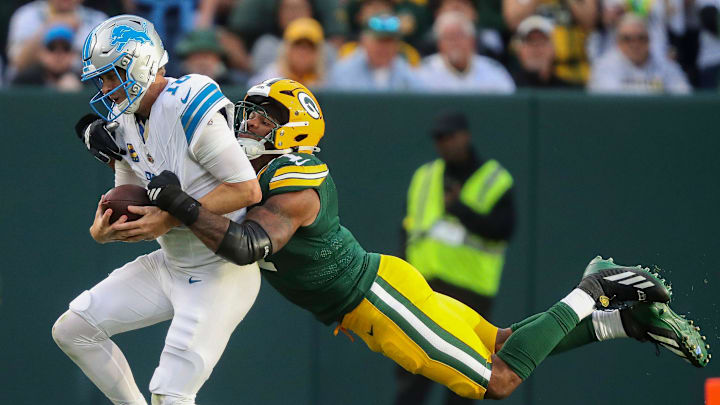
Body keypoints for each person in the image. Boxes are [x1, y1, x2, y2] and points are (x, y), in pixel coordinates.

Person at [144, 77, 710, 400]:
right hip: (380, 290)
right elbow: (184, 127)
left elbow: (244, 245)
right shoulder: (250, 173)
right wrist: (118, 138)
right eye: (248, 115)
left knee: (498, 379)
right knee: (502, 340)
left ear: (294, 130)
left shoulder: (297, 183)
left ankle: (593, 289)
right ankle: (625, 321)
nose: (246, 126)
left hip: (375, 300)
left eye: (263, 119)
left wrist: (176, 202)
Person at [50, 15, 262, 405]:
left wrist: (168, 217)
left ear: (142, 62)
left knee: (171, 394)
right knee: (72, 329)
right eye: (103, 79)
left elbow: (246, 188)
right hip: (172, 265)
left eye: (113, 75)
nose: (107, 88)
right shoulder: (126, 121)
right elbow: (129, 198)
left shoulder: (187, 101)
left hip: (219, 272)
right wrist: (104, 231)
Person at [396, 110, 516, 405]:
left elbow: (504, 230)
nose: (445, 143)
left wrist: (461, 210)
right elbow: (407, 230)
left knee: (463, 377)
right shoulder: (425, 176)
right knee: (413, 371)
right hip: (424, 288)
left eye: (450, 136)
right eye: (439, 138)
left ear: (466, 136)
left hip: (470, 291)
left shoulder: (495, 179)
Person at [588, 14, 691, 94]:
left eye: (641, 38)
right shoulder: (604, 66)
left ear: (649, 40)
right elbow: (611, 102)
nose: (635, 44)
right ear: (618, 42)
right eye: (627, 39)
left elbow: (683, 93)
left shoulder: (665, 64)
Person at [417, 11, 515, 93]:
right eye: (448, 37)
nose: (454, 43)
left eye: (459, 36)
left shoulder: (492, 70)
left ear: (472, 40)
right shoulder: (424, 72)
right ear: (439, 43)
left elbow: (510, 105)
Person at [6, 0, 107, 79]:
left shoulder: (97, 20)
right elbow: (17, 63)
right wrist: (49, 26)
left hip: (81, 88)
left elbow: (108, 69)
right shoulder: (27, 15)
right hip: (33, 88)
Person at [328, 13, 423, 91]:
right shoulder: (344, 72)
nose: (384, 48)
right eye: (379, 42)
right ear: (364, 42)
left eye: (390, 42)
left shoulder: (407, 73)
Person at [249, 18, 329, 88]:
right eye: (297, 45)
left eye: (310, 47)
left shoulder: (326, 81)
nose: (303, 52)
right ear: (287, 49)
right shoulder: (270, 77)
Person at [510, 15, 577, 88]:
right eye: (530, 41)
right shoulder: (506, 86)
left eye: (542, 41)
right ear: (520, 50)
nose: (536, 48)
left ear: (553, 49)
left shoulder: (566, 91)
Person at [10, 24, 82, 91]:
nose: (58, 54)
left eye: (66, 48)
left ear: (73, 54)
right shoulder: (24, 81)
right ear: (41, 53)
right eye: (52, 48)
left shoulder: (84, 80)